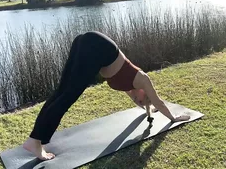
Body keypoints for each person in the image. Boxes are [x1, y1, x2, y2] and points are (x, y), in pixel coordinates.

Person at [22, 31, 190, 160]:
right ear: (144, 94)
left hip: (85, 42)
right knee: (67, 97)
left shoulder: (131, 88)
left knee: (61, 92)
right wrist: (174, 117)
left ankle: (36, 140)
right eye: (142, 100)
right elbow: (158, 102)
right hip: (96, 46)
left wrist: (148, 110)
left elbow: (150, 105)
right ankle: (35, 141)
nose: (138, 102)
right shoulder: (142, 79)